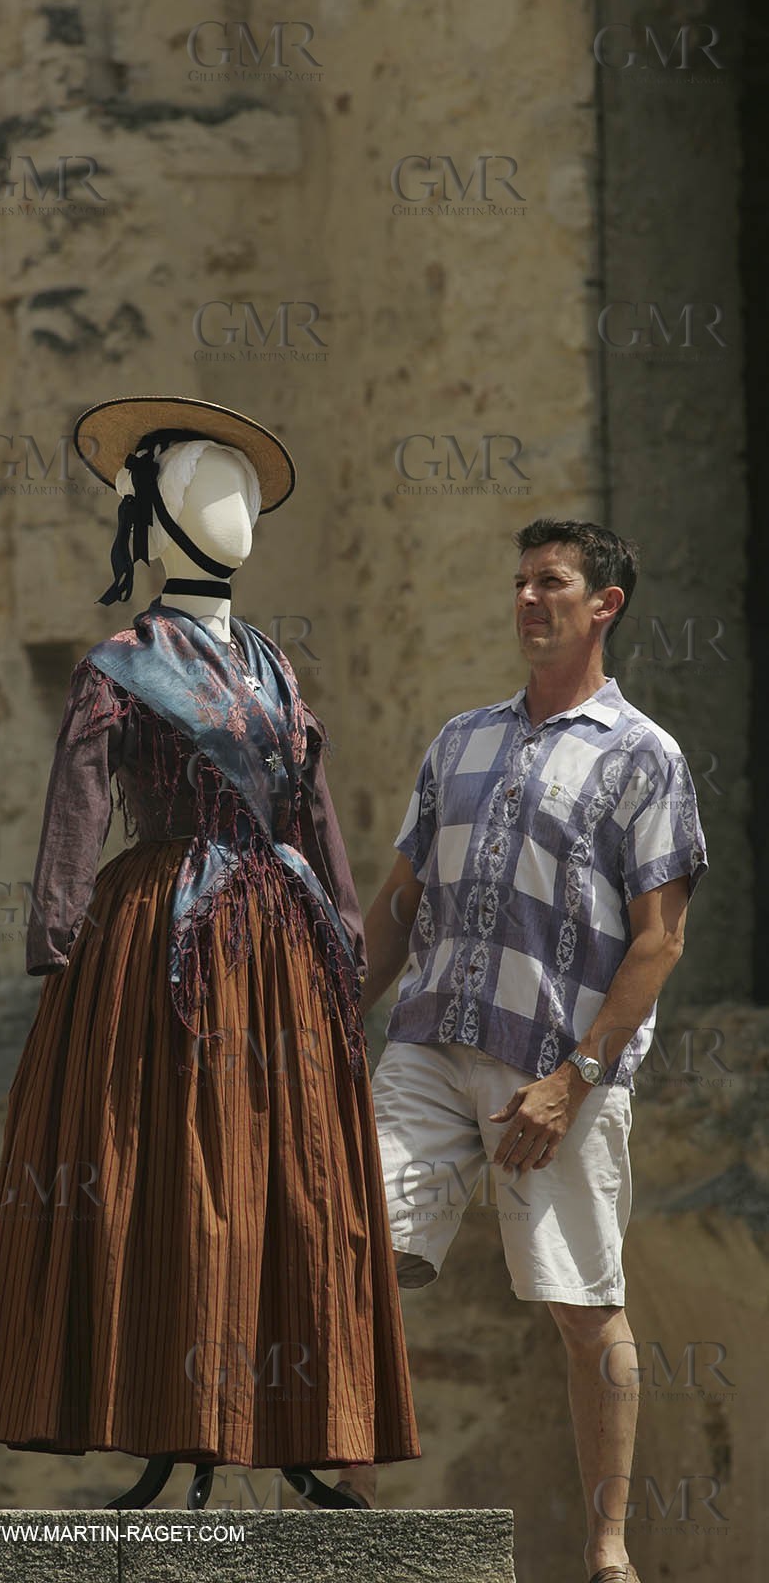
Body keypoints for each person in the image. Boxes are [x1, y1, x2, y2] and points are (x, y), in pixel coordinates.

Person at [0, 397, 418, 1509]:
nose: (236, 513)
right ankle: (176, 1426)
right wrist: (60, 942)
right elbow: (74, 816)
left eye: (237, 492)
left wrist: (343, 946)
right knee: (170, 1174)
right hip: (164, 937)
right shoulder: (119, 664)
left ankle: (306, 1423)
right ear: (155, 523)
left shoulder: (275, 668)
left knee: (295, 1178)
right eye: (202, 488)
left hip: (285, 950)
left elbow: (313, 818)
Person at [336, 520, 708, 1583]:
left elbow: (658, 938)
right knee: (348, 1244)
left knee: (582, 1307)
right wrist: (330, 1015)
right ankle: (348, 1515)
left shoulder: (645, 755)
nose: (525, 600)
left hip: (556, 1069)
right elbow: (401, 903)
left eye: (550, 582)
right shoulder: (456, 740)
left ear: (604, 604)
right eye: (516, 583)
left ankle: (604, 1550)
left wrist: (571, 1078)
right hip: (426, 1039)